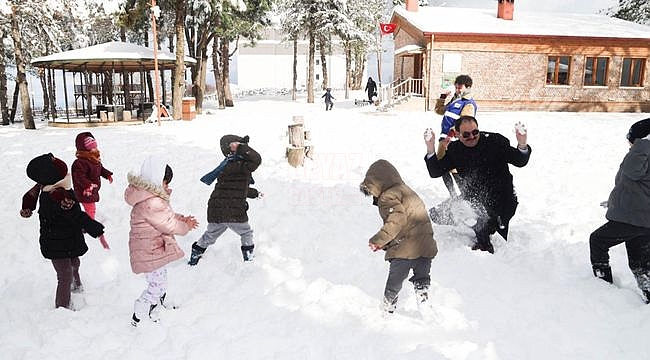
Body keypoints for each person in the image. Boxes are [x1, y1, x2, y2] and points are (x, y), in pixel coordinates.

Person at [424, 116, 531, 253]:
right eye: (466, 134)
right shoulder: (455, 150)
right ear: (457, 135)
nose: (472, 137)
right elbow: (435, 171)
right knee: (438, 214)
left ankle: (484, 242)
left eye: (475, 132)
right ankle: (474, 223)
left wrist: (522, 144)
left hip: (502, 200)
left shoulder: (495, 142)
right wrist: (430, 148)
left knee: (489, 228)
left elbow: (519, 161)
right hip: (472, 198)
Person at [20, 153, 106, 310]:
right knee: (64, 274)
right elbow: (76, 214)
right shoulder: (57, 194)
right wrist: (91, 226)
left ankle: (77, 285)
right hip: (55, 242)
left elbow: (31, 196)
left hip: (68, 236)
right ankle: (62, 307)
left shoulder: (55, 185)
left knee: (74, 262)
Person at [125, 155, 198, 326]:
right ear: (157, 179)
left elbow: (166, 217)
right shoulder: (152, 201)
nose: (167, 186)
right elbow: (168, 224)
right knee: (156, 286)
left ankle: (155, 307)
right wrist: (184, 226)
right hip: (149, 251)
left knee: (160, 281)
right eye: (166, 182)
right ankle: (139, 315)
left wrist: (182, 218)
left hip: (153, 248)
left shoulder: (149, 197)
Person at [360, 159, 438, 314]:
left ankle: (387, 310)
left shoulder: (387, 197)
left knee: (394, 283)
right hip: (425, 247)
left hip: (405, 250)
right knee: (422, 279)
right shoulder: (406, 190)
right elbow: (412, 222)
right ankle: (424, 305)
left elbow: (397, 220)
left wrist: (378, 240)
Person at [589, 118, 650, 303]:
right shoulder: (644, 158)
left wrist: (643, 144)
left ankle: (603, 287)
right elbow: (634, 186)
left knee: (598, 240)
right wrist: (615, 202)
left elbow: (632, 172)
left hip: (634, 219)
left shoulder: (642, 153)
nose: (629, 145)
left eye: (631, 140)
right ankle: (648, 293)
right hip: (639, 218)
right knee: (639, 263)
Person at [189, 134, 262, 265]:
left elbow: (235, 188)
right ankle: (249, 259)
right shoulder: (240, 164)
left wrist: (255, 193)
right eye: (239, 145)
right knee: (246, 233)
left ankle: (195, 254)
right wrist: (242, 148)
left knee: (210, 235)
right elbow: (256, 159)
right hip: (233, 210)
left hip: (217, 209)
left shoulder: (226, 165)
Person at [434, 75, 477, 197]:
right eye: (456, 87)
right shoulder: (456, 99)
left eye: (460, 88)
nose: (457, 90)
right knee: (442, 167)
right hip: (444, 139)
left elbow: (464, 124)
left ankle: (465, 194)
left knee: (454, 169)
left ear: (468, 87)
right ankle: (453, 194)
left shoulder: (468, 104)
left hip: (454, 141)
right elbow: (439, 111)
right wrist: (442, 98)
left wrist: (451, 135)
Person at [71, 131, 112, 249]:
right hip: (85, 191)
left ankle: (82, 220)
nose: (95, 150)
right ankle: (88, 225)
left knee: (84, 207)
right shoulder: (80, 163)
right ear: (84, 150)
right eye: (92, 148)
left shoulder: (93, 159)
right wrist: (88, 185)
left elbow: (100, 168)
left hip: (92, 189)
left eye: (95, 147)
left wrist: (107, 174)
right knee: (90, 208)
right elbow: (79, 177)